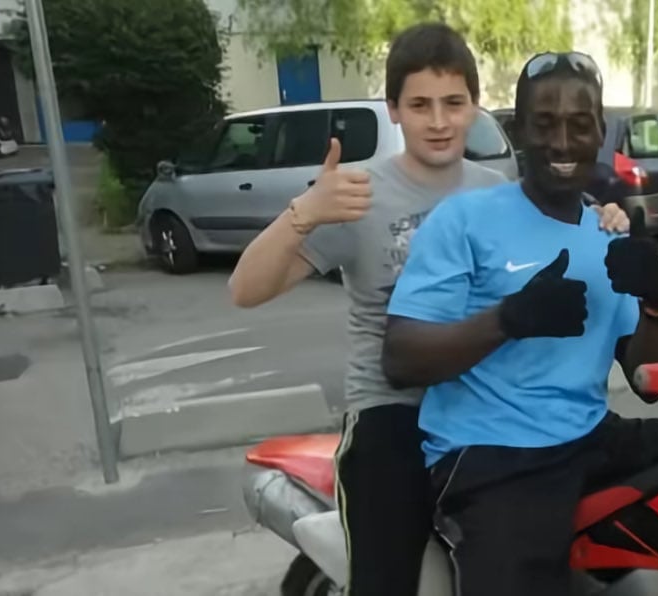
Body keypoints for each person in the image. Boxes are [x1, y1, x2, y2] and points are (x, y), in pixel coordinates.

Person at [227, 25, 630, 596]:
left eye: (453, 103)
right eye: (419, 105)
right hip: (392, 413)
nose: (439, 121)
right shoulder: (358, 195)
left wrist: (609, 219)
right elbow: (245, 289)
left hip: (491, 411)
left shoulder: (499, 187)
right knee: (387, 575)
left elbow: (570, 215)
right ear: (393, 109)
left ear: (475, 106)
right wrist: (305, 212)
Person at [382, 51, 658, 596]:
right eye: (545, 123)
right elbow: (401, 358)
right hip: (489, 456)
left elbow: (649, 380)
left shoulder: (607, 232)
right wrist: (510, 319)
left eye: (579, 125)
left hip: (590, 437)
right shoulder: (465, 219)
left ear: (600, 132)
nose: (562, 143)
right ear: (519, 131)